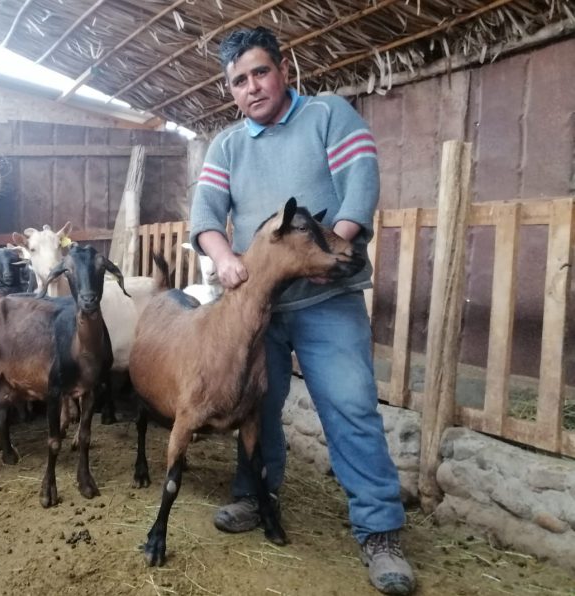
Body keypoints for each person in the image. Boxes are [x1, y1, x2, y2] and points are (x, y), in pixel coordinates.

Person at [189, 26, 415, 595]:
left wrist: (326, 251)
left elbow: (360, 180)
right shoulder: (228, 146)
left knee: (351, 405)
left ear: (282, 69)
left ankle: (379, 531)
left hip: (326, 300)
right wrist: (222, 258)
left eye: (259, 72)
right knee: (253, 407)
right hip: (257, 307)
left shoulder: (326, 115)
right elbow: (207, 215)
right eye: (238, 81)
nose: (251, 88)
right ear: (231, 90)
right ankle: (254, 495)